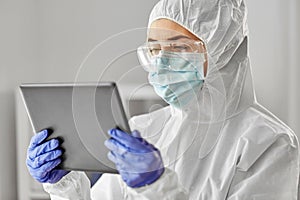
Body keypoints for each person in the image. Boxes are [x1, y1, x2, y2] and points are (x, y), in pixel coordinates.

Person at [26, 0, 300, 199]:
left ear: (222, 50)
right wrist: (65, 186)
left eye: (179, 47)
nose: (162, 62)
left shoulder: (269, 143)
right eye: (155, 49)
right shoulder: (143, 131)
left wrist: (157, 186)